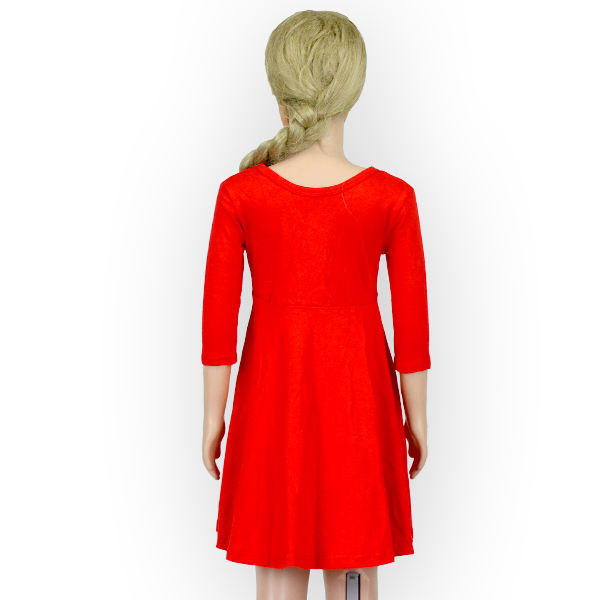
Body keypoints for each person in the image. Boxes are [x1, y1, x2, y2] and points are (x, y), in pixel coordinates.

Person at [201, 10, 431, 600]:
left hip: (271, 405)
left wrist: (213, 417)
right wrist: (417, 419)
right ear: (352, 93)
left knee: (277, 563)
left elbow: (218, 328)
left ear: (280, 95)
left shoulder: (241, 195)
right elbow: (412, 334)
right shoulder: (391, 199)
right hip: (360, 407)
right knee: (355, 567)